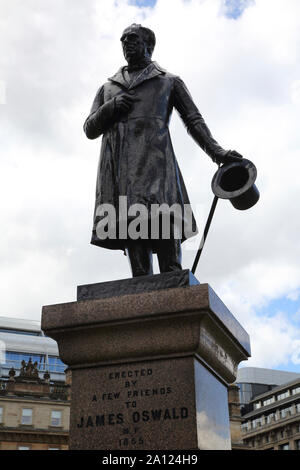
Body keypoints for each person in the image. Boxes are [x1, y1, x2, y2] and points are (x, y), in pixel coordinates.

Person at [84, 24, 242, 277]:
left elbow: (194, 120)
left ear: (149, 44)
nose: (127, 43)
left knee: (164, 225)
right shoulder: (107, 88)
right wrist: (111, 107)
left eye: (132, 39)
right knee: (132, 238)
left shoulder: (169, 81)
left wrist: (217, 152)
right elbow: (90, 128)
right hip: (120, 173)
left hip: (156, 166)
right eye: (123, 40)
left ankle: (174, 290)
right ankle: (142, 296)